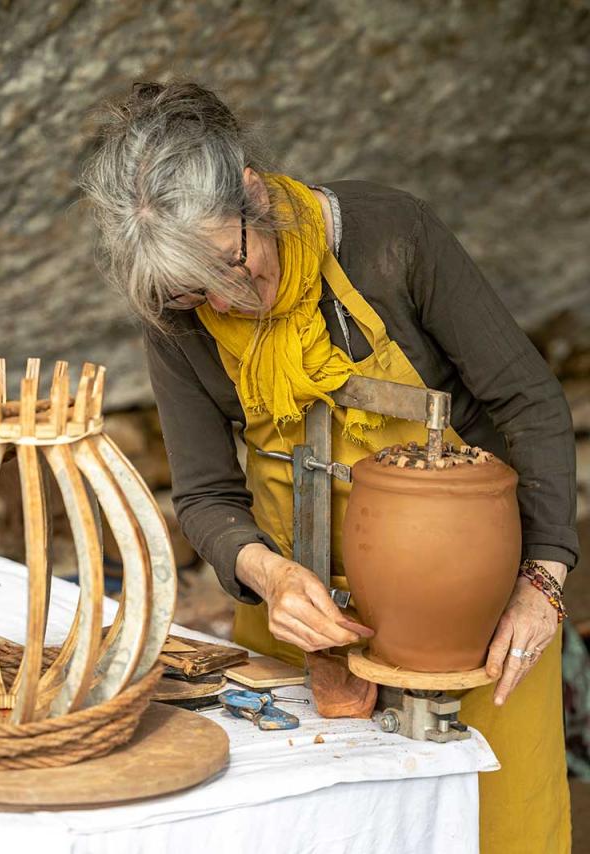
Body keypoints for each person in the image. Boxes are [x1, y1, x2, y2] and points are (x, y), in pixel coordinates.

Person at [81, 79, 578, 853]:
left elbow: (530, 404)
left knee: (492, 828)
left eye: (233, 264)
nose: (230, 299)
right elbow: (208, 495)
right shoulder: (177, 312)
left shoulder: (391, 237)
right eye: (194, 290)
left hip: (471, 626)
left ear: (254, 193)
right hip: (301, 631)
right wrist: (270, 578)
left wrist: (542, 580)